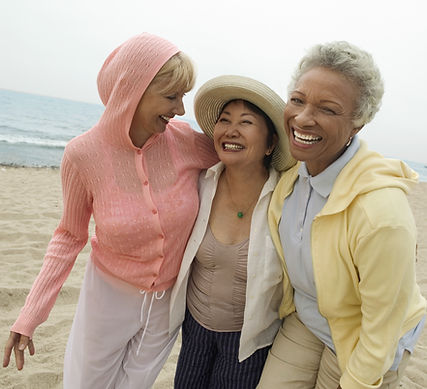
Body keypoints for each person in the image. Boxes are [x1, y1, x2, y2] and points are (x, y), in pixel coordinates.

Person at [2, 33, 218, 388]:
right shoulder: (82, 155)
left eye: (183, 96)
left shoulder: (185, 141)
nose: (180, 109)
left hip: (168, 304)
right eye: (171, 96)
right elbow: (69, 238)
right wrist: (30, 315)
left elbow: (246, 157)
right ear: (132, 91)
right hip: (107, 297)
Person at [256, 41, 427, 389]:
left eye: (328, 109)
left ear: (357, 125)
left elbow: (382, 325)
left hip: (367, 334)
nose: (303, 117)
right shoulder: (291, 175)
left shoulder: (381, 212)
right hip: (308, 318)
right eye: (297, 100)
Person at [169, 75, 296, 388]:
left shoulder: (286, 199)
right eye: (224, 120)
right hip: (194, 328)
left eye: (246, 122)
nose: (230, 130)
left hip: (249, 342)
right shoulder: (200, 183)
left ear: (270, 143)